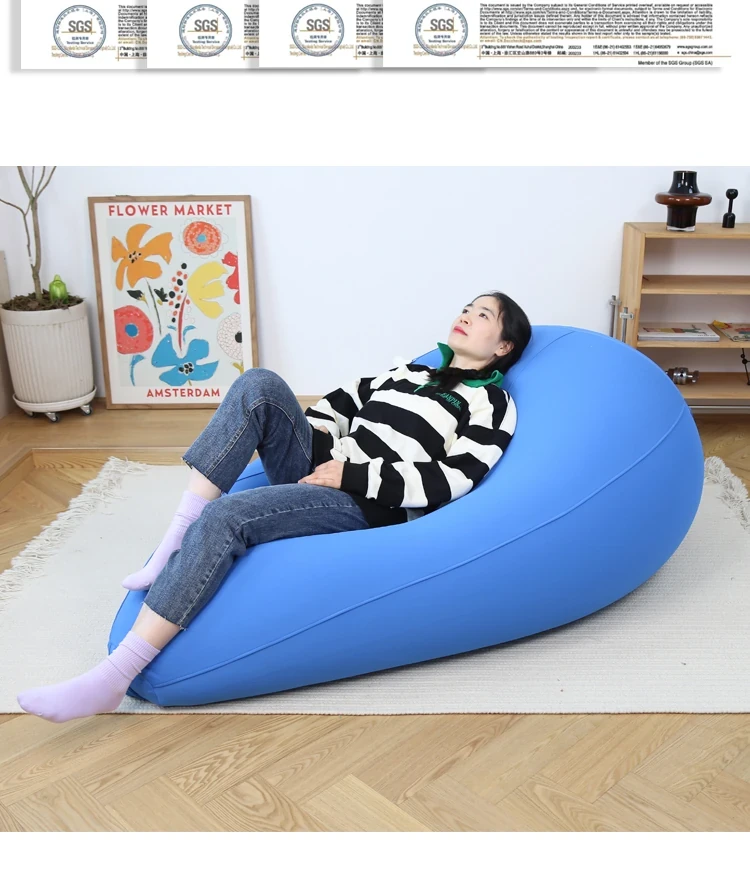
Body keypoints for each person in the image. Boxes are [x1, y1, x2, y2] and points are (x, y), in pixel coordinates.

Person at [17, 290, 530, 722]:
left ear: (503, 345)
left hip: (366, 501)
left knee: (229, 516)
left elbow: (454, 478)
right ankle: (177, 536)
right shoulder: (411, 371)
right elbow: (341, 403)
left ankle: (114, 676)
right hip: (326, 467)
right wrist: (323, 448)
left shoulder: (492, 403)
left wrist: (350, 475)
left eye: (483, 314)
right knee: (258, 384)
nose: (466, 315)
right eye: (467, 307)